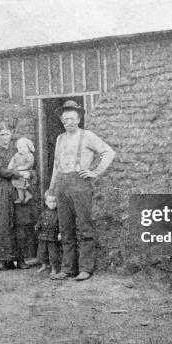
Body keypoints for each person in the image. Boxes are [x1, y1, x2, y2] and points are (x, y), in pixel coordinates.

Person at [48, 100, 115, 281]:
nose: (67, 122)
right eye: (64, 119)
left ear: (78, 118)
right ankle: (67, 268)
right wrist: (52, 189)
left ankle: (85, 268)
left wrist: (94, 172)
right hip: (62, 183)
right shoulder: (60, 138)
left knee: (85, 226)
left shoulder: (87, 136)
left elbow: (109, 153)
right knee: (65, 227)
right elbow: (56, 165)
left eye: (71, 118)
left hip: (80, 184)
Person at [0, 124, 32, 270]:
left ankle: (21, 259)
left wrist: (28, 173)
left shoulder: (17, 150)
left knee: (19, 223)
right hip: (3, 190)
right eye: (2, 134)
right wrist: (17, 173)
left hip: (17, 188)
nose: (5, 137)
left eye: (7, 134)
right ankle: (6, 260)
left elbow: (27, 164)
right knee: (5, 224)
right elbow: (0, 170)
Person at [35, 192, 60, 276]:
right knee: (42, 251)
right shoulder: (44, 213)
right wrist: (37, 226)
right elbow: (40, 221)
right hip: (43, 235)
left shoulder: (58, 214)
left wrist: (60, 233)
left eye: (54, 202)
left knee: (53, 253)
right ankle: (44, 265)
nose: (52, 204)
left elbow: (61, 225)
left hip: (53, 237)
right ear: (46, 202)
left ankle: (54, 268)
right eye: (50, 202)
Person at [8, 137, 35, 204]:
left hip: (25, 172)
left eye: (24, 147)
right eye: (19, 148)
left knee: (21, 185)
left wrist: (22, 168)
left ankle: (22, 197)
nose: (21, 149)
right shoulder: (17, 155)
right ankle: (26, 195)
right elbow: (13, 160)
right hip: (17, 172)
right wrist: (11, 165)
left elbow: (29, 164)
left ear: (28, 147)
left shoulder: (29, 155)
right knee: (18, 186)